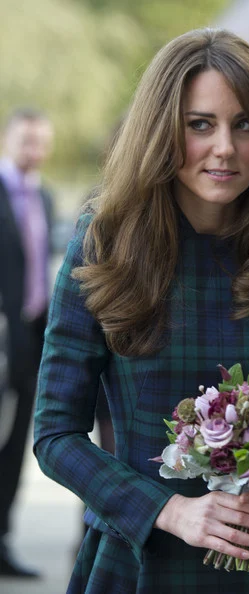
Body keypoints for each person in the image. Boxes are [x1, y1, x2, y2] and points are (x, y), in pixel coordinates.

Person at [34, 28, 249, 593]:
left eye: (246, 124)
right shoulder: (103, 244)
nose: (226, 149)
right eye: (200, 124)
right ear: (163, 130)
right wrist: (170, 511)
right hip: (140, 562)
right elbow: (55, 435)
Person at [0, 108, 54, 577]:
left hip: (30, 342)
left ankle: (1, 539)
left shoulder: (46, 197)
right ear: (7, 138)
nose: (32, 149)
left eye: (40, 141)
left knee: (17, 445)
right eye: (25, 139)